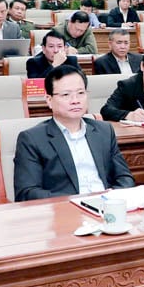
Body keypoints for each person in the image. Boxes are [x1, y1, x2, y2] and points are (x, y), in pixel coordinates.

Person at [13, 66, 135, 201]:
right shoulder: (32, 139)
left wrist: (113, 198)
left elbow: (125, 177)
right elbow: (27, 193)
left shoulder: (104, 131)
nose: (75, 100)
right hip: (64, 213)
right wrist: (78, 201)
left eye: (81, 93)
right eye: (66, 95)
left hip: (107, 208)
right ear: (49, 100)